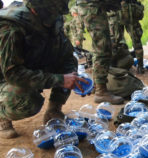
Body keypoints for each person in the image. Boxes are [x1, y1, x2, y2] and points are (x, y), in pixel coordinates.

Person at [0, 0, 86, 139]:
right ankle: (2, 115)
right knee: (28, 100)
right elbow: (13, 74)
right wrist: (59, 80)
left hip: (29, 69)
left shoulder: (51, 19)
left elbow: (65, 53)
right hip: (5, 78)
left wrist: (72, 76)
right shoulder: (11, 26)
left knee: (70, 63)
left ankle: (54, 110)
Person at [76, 0, 124, 104]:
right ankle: (101, 91)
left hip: (94, 6)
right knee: (102, 47)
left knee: (101, 46)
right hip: (92, 7)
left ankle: (98, 86)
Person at [120, 0, 145, 74]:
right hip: (121, 12)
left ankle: (140, 66)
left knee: (136, 41)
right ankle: (122, 65)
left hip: (130, 13)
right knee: (117, 41)